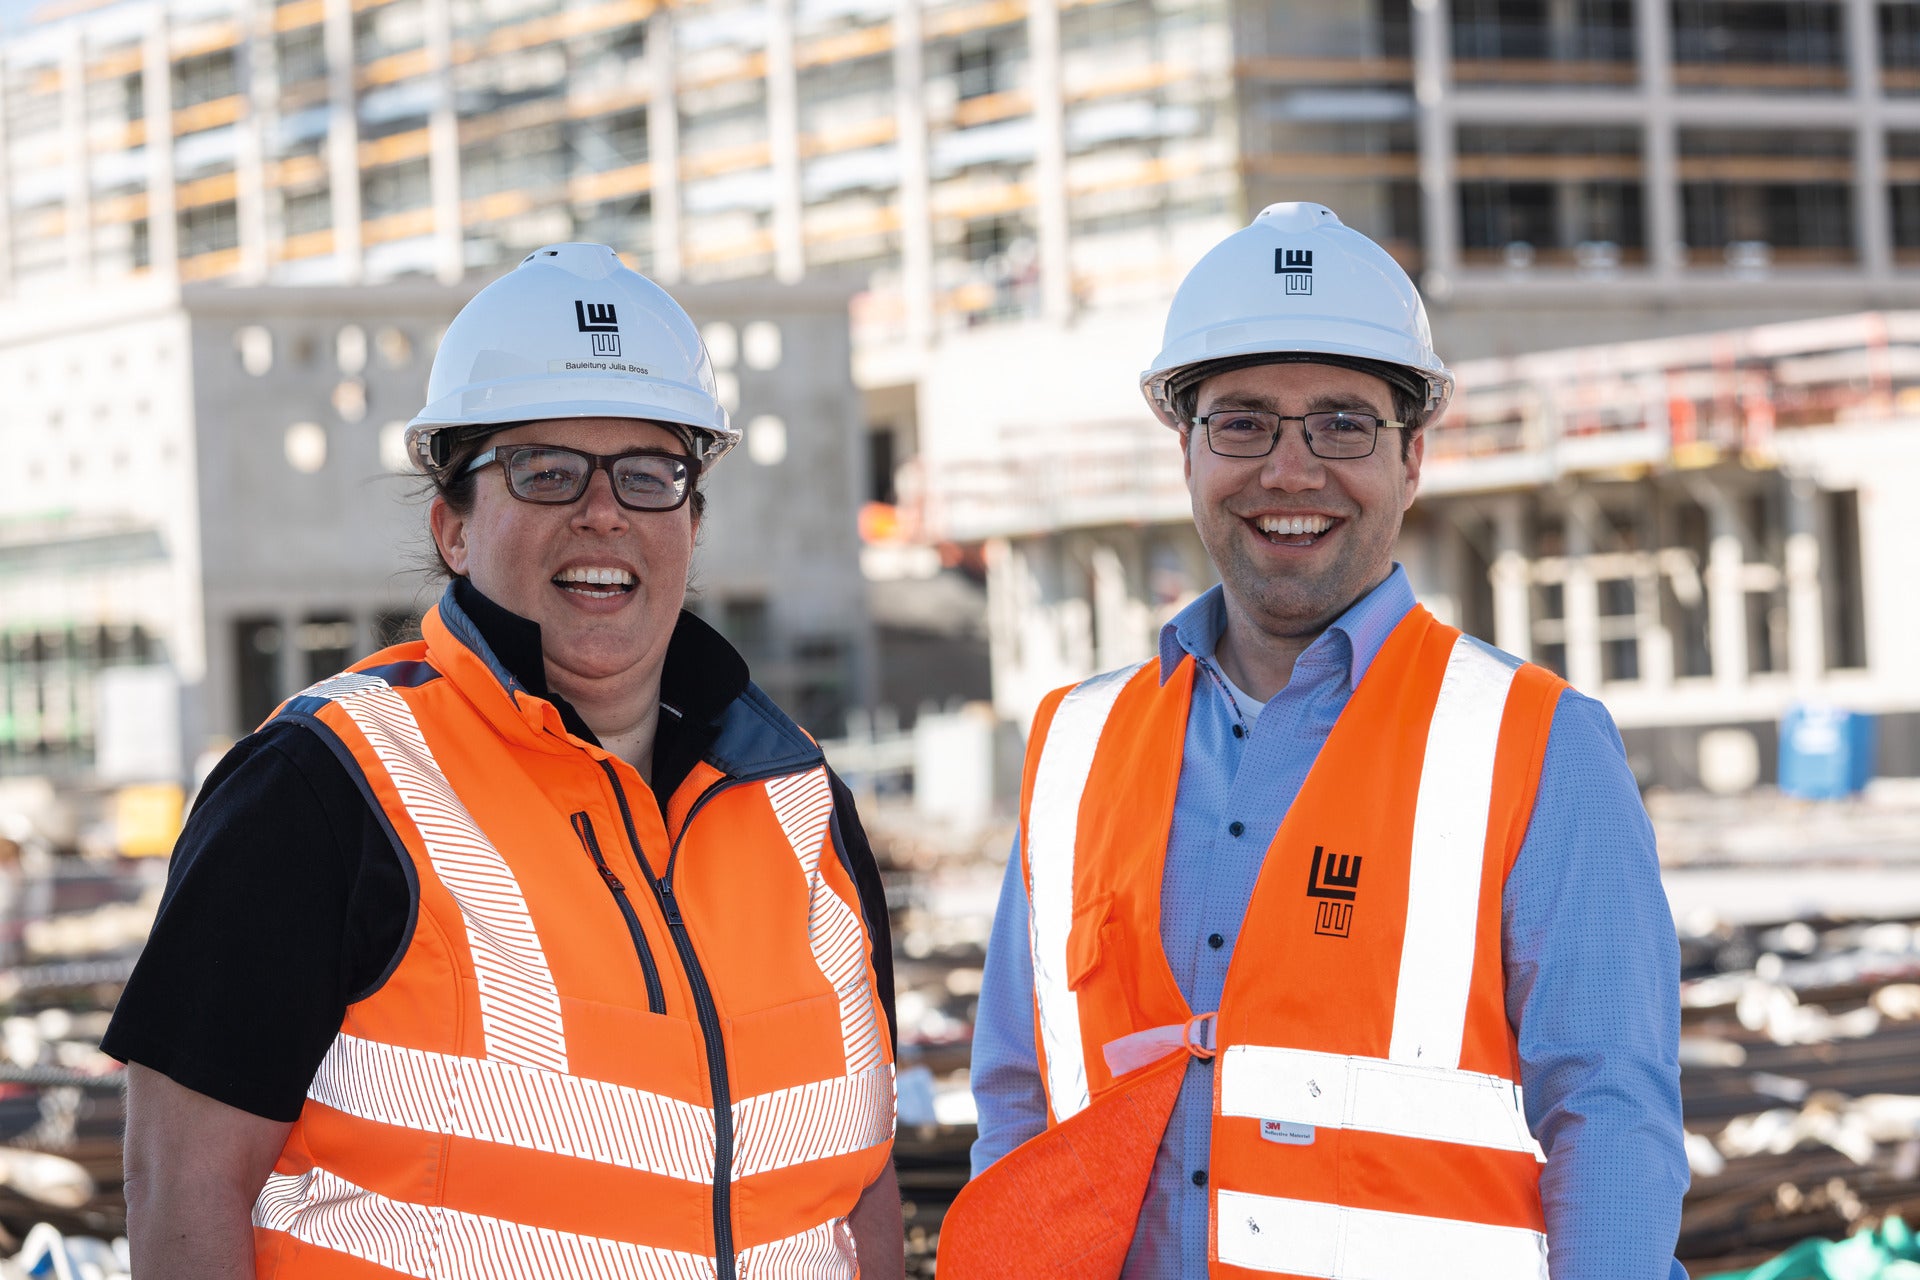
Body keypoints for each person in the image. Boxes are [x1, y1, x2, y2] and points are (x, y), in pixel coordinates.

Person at [103, 243, 904, 1280]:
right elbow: (179, 1184)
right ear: (454, 525)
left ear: (693, 523)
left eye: (650, 472)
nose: (604, 510)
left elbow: (861, 1190)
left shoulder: (799, 803)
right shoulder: (320, 790)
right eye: (547, 470)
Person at [942, 203, 1687, 1279]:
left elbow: (1611, 1122)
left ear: (1414, 456)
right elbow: (1022, 1104)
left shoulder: (1539, 747)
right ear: (1185, 449)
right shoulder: (1074, 748)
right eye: (1243, 421)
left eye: (1343, 422)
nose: (1291, 473)